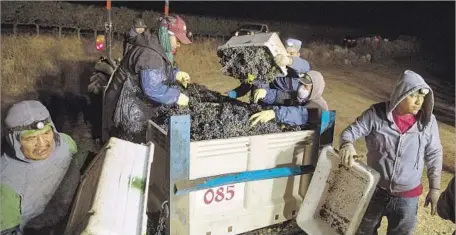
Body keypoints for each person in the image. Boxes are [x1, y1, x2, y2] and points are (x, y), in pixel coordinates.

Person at [339, 70, 443, 235]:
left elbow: (434, 154)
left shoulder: (428, 123)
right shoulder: (376, 114)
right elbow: (349, 133)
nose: (419, 102)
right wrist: (347, 144)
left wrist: (435, 188)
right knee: (364, 231)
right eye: (413, 96)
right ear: (401, 94)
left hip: (408, 198)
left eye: (422, 97)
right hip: (375, 191)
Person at [102, 14, 192, 143]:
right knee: (126, 147)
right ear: (167, 34)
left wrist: (175, 74)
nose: (179, 45)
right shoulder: (150, 53)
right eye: (177, 40)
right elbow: (152, 88)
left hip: (127, 98)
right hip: (123, 106)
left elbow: (156, 72)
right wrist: (176, 96)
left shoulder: (154, 44)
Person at [0, 100, 81, 235]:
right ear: (14, 141)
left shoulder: (65, 143)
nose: (42, 144)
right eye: (31, 138)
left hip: (73, 209)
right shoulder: (7, 184)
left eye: (46, 133)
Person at [225, 38, 311, 100]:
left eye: (291, 53)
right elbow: (257, 80)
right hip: (264, 104)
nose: (287, 55)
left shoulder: (301, 71)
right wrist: (236, 93)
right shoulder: (273, 67)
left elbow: (304, 66)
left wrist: (289, 61)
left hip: (284, 108)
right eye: (285, 52)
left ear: (298, 54)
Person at [249, 70, 328, 127]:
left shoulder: (320, 107)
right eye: (301, 83)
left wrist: (275, 113)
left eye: (306, 85)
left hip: (314, 141)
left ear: (314, 89)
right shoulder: (298, 96)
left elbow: (299, 114)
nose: (302, 86)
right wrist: (265, 94)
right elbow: (278, 96)